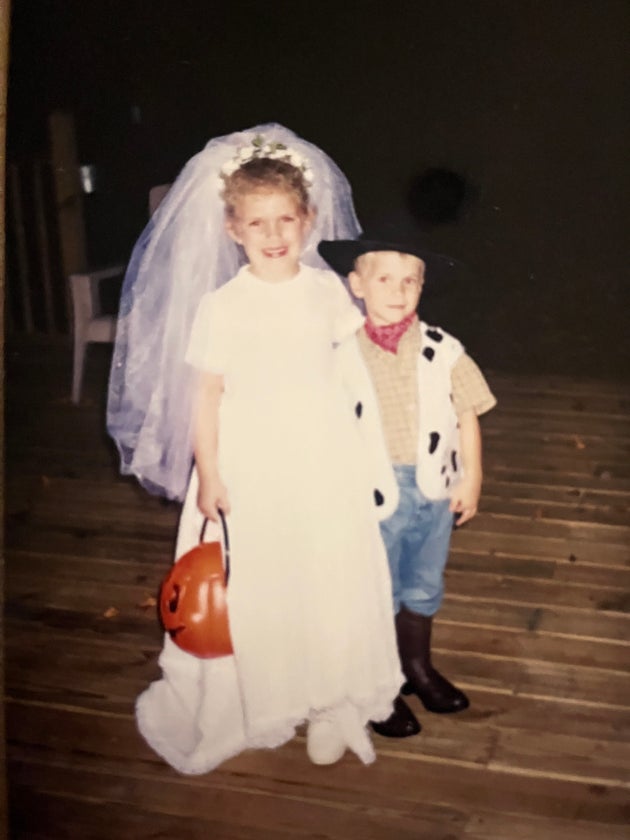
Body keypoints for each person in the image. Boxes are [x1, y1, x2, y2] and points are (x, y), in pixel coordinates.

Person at [107, 124, 404, 773]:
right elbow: (207, 396)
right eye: (257, 223)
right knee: (271, 579)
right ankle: (282, 694)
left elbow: (356, 367)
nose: (273, 236)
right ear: (233, 231)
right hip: (254, 461)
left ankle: (333, 701)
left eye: (285, 220)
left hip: (323, 454)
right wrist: (209, 473)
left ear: (307, 221)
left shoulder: (328, 290)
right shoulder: (224, 306)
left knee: (330, 571)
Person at [318, 221, 496, 735]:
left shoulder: (444, 349)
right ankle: (378, 682)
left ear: (422, 286)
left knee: (422, 583)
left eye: (409, 281)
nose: (397, 292)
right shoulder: (341, 354)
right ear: (357, 284)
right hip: (371, 495)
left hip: (434, 489)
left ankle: (415, 667)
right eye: (384, 280)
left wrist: (472, 479)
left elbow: (468, 414)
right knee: (377, 588)